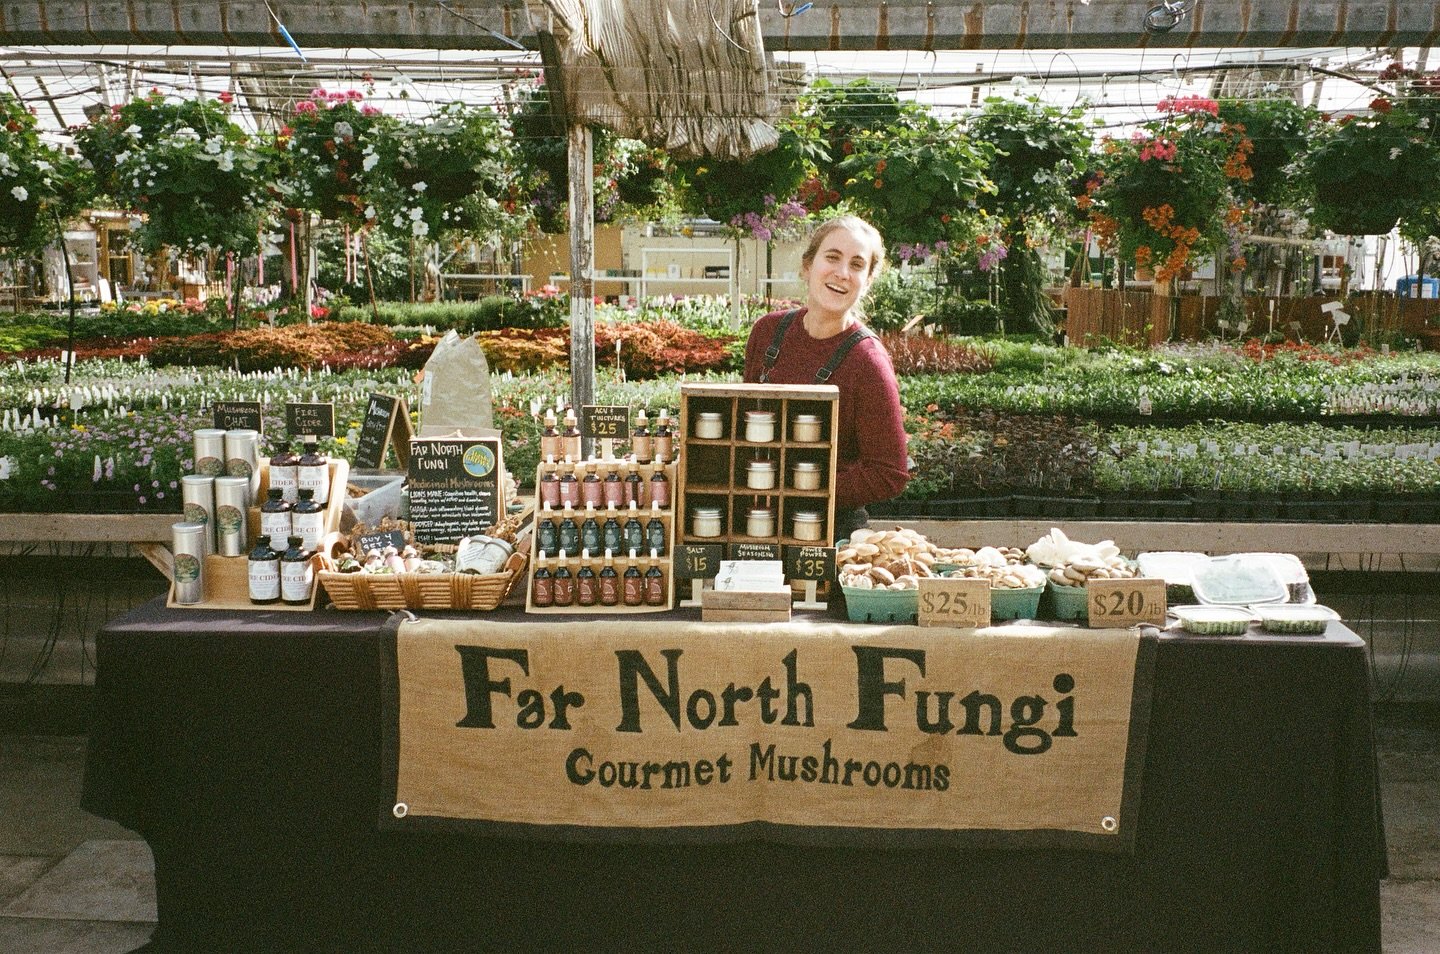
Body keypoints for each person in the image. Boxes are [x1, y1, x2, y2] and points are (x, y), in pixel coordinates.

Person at [742, 215, 908, 542]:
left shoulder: (867, 361)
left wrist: (804, 486)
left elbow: (889, 473)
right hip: (755, 519)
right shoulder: (767, 332)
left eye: (857, 265)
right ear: (807, 266)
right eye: (832, 257)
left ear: (867, 281)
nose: (842, 273)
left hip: (829, 531)